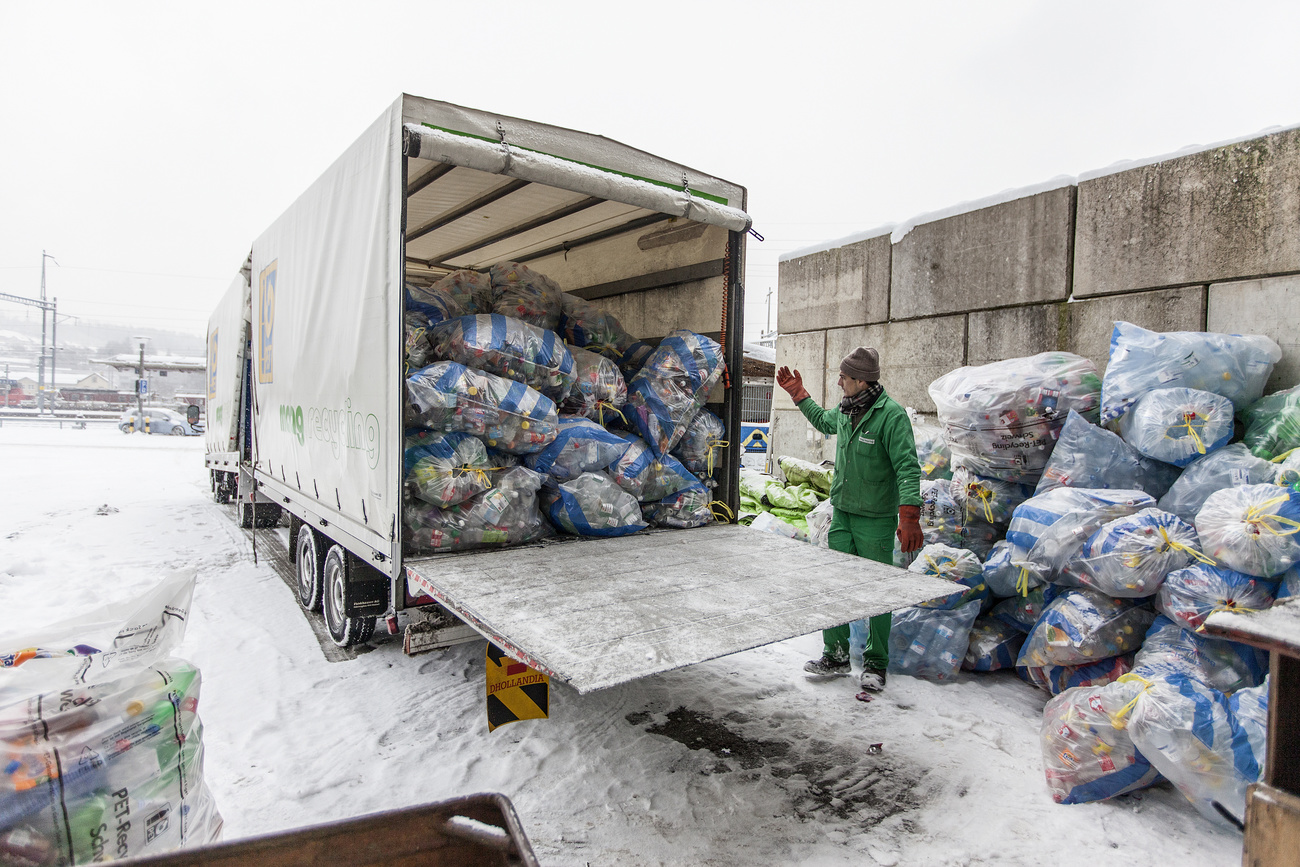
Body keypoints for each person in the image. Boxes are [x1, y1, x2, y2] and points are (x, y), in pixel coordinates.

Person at [776, 347, 923, 692]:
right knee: (833, 584)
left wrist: (910, 515)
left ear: (861, 381)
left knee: (877, 592)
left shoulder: (891, 416)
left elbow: (907, 467)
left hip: (876, 517)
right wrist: (799, 395)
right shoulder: (846, 410)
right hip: (842, 512)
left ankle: (876, 663)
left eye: (844, 377)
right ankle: (836, 654)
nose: (839, 382)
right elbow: (824, 422)